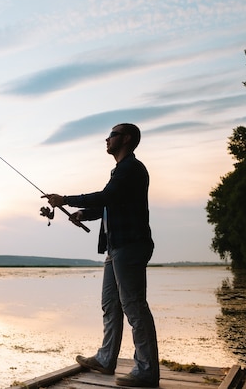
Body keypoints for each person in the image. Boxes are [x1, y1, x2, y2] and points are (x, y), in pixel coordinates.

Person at [42, 123, 159, 388]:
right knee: (111, 304)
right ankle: (106, 359)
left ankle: (147, 371)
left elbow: (107, 195)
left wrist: (66, 199)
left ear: (126, 139)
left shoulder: (131, 168)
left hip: (130, 245)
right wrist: (85, 214)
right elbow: (110, 203)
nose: (106, 139)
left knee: (134, 307)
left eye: (112, 135)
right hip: (115, 247)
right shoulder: (121, 170)